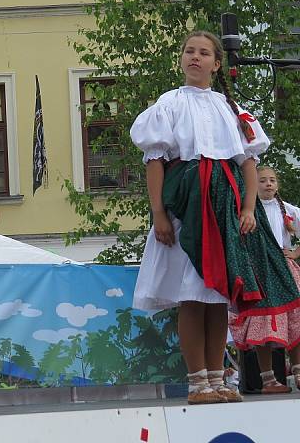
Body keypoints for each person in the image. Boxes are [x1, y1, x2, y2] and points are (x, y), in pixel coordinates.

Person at [130, 30, 300, 405]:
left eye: (203, 52)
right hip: (187, 208)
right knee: (192, 294)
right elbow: (155, 162)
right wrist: (158, 213)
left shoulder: (230, 108)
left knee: (218, 296)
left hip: (224, 209)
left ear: (216, 63)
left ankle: (217, 378)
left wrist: (249, 208)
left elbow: (248, 163)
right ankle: (197, 382)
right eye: (189, 51)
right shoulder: (169, 103)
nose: (195, 57)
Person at [229, 165, 300, 392]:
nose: (268, 184)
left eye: (272, 180)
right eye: (262, 180)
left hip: (285, 269)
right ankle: (268, 379)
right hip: (259, 272)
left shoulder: (287, 210)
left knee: (294, 319)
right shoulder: (248, 210)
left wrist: (296, 252)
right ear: (252, 185)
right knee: (262, 322)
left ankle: (298, 371)